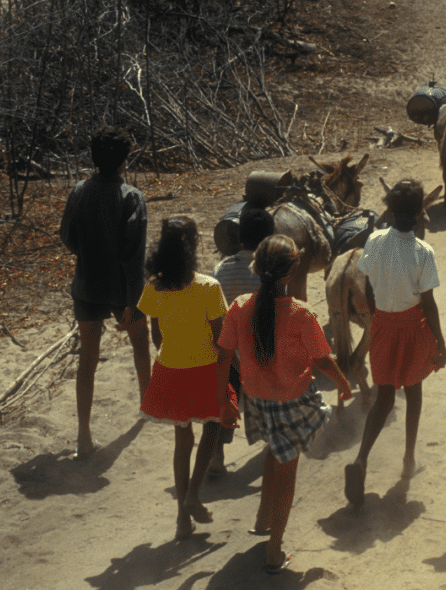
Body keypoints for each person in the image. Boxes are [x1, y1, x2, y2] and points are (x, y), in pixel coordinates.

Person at [217, 235, 352, 573]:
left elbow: (224, 355)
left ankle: (263, 518)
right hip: (291, 402)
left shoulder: (239, 307)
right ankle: (274, 550)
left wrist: (226, 398)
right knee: (287, 470)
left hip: (257, 401)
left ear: (257, 267)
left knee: (274, 449)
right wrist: (343, 383)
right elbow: (322, 360)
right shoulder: (301, 313)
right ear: (290, 273)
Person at [344, 180, 446, 507]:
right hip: (412, 326)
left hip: (383, 327)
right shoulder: (423, 251)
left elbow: (369, 285)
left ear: (389, 209)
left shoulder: (374, 241)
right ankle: (408, 460)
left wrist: (377, 319)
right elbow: (428, 303)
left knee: (384, 397)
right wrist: (440, 342)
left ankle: (361, 459)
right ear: (420, 213)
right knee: (413, 392)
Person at [137, 216, 239, 540]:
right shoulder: (208, 286)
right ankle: (194, 492)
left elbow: (156, 336)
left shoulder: (153, 287)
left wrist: (174, 353)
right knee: (213, 425)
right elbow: (220, 338)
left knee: (183, 441)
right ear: (194, 246)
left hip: (170, 369)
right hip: (205, 368)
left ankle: (182, 518)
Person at [59, 126, 151, 459]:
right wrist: (132, 302)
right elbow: (134, 256)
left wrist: (89, 252)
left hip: (86, 285)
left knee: (88, 360)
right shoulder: (132, 197)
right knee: (140, 345)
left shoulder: (79, 191)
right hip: (123, 290)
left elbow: (67, 237)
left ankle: (83, 436)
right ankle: (147, 407)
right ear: (124, 161)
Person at [207, 208, 276, 477]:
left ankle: (216, 456)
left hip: (226, 352)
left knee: (226, 399)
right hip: (258, 353)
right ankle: (273, 438)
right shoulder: (268, 273)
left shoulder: (220, 270)